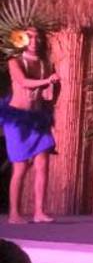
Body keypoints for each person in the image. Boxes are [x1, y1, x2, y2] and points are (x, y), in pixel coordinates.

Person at [1, 27, 59, 225]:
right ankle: (14, 214)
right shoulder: (15, 62)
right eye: (30, 37)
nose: (34, 41)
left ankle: (39, 212)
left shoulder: (45, 64)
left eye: (38, 37)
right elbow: (24, 82)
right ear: (21, 40)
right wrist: (47, 80)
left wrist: (52, 90)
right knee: (21, 167)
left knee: (43, 165)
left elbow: (49, 94)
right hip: (18, 121)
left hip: (37, 118)